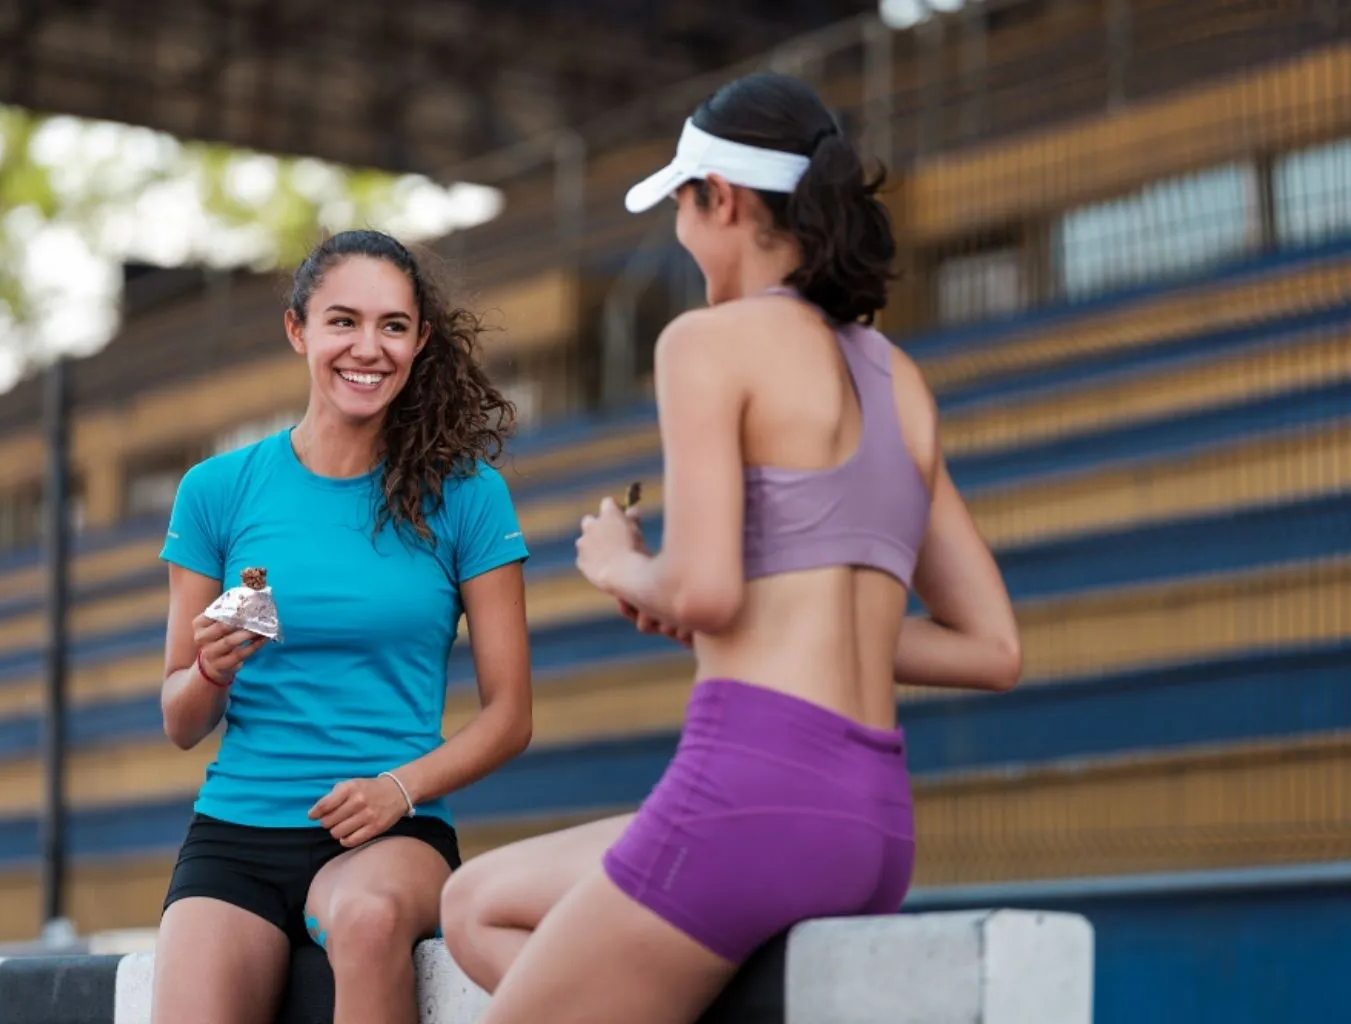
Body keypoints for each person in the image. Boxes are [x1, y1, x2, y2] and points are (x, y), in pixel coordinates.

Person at [438, 72, 1022, 1023]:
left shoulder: (705, 344)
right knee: (474, 906)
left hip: (751, 799)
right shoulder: (897, 377)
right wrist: (766, 613)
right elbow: (993, 650)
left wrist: (620, 562)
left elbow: (703, 592)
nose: (678, 231)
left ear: (727, 199)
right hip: (872, 822)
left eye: (682, 202)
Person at [150, 229, 534, 1024]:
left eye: (393, 325)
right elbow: (180, 721)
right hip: (237, 834)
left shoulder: (469, 496)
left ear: (421, 339)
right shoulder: (215, 490)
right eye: (343, 322)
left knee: (363, 918)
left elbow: (510, 718)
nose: (369, 347)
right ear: (299, 331)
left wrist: (401, 789)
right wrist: (213, 670)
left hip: (394, 832)